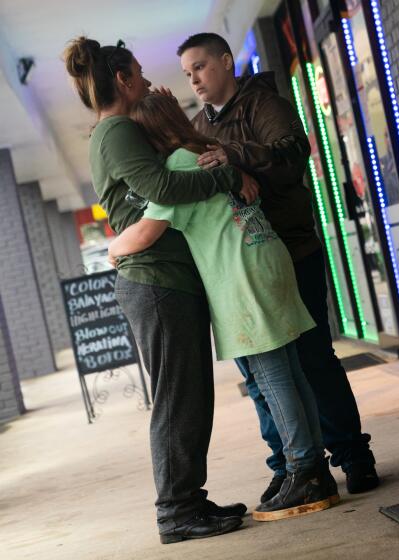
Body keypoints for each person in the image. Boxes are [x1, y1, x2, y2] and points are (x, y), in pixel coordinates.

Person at [108, 92, 339, 523]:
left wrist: (114, 248)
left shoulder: (177, 166)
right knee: (290, 368)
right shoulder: (207, 150)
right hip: (268, 258)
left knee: (271, 377)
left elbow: (145, 233)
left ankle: (303, 469)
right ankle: (313, 468)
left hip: (240, 277)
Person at [63, 37, 258, 544]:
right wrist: (226, 179)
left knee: (190, 397)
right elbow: (165, 190)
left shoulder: (123, 130)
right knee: (178, 399)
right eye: (141, 73)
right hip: (154, 282)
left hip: (165, 279)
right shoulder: (116, 131)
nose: (148, 81)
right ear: (123, 80)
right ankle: (176, 511)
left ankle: (189, 499)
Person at [177, 32, 379, 501]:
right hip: (242, 265)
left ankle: (353, 456)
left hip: (293, 251)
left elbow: (294, 154)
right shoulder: (195, 127)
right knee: (262, 372)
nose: (195, 80)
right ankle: (288, 465)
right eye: (188, 74)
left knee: (314, 359)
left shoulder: (264, 103)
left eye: (201, 67)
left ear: (226, 62)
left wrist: (236, 156)